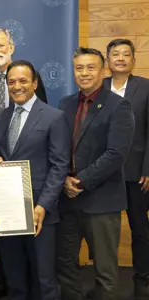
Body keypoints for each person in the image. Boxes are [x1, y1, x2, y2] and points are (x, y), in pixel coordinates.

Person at [0, 28, 47, 300]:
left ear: (12, 47)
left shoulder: (28, 78)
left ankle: (28, 284)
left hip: (29, 177)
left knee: (30, 241)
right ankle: (0, 283)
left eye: (1, 45)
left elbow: (42, 124)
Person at [57, 47, 135, 300]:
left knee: (105, 271)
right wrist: (63, 180)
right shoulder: (65, 104)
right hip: (66, 202)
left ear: (103, 70)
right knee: (65, 265)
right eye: (79, 68)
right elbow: (58, 147)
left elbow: (115, 154)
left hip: (101, 202)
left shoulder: (119, 105)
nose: (84, 73)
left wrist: (80, 182)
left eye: (91, 67)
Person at [0, 60, 70, 300]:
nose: (17, 86)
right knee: (15, 279)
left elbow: (59, 166)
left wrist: (42, 205)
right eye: (11, 82)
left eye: (23, 81)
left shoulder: (54, 117)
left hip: (39, 213)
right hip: (7, 213)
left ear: (34, 83)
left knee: (44, 280)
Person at [104, 39, 149, 300]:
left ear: (133, 59)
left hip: (137, 173)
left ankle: (142, 280)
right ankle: (105, 281)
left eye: (126, 54)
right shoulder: (99, 88)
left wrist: (148, 168)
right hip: (105, 173)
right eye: (115, 54)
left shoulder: (145, 87)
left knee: (140, 229)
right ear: (108, 60)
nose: (120, 58)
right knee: (103, 230)